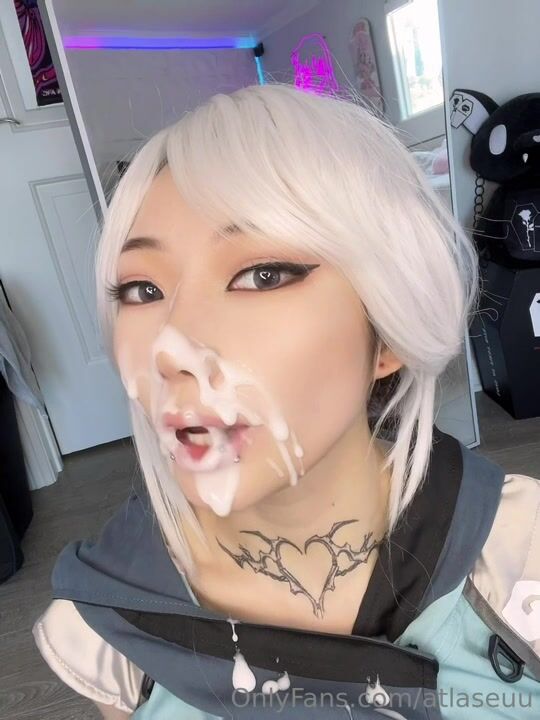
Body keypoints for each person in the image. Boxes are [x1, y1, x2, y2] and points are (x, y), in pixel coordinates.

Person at [32, 83, 540, 719]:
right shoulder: (109, 625)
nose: (170, 347)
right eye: (141, 290)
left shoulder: (522, 551)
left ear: (387, 330)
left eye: (262, 274)